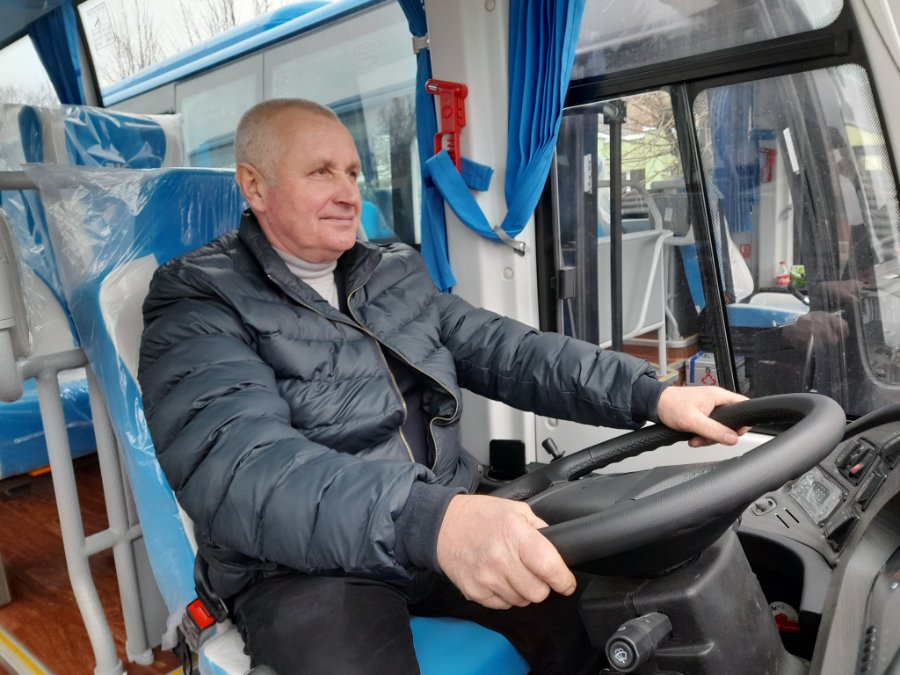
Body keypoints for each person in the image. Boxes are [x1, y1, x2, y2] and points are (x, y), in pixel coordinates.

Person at [138, 98, 746, 674]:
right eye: (321, 172)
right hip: (302, 566)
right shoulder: (197, 299)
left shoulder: (391, 270)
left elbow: (510, 350)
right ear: (254, 186)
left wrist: (652, 394)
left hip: (442, 514)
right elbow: (242, 468)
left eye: (352, 173)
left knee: (599, 613)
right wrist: (430, 521)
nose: (348, 193)